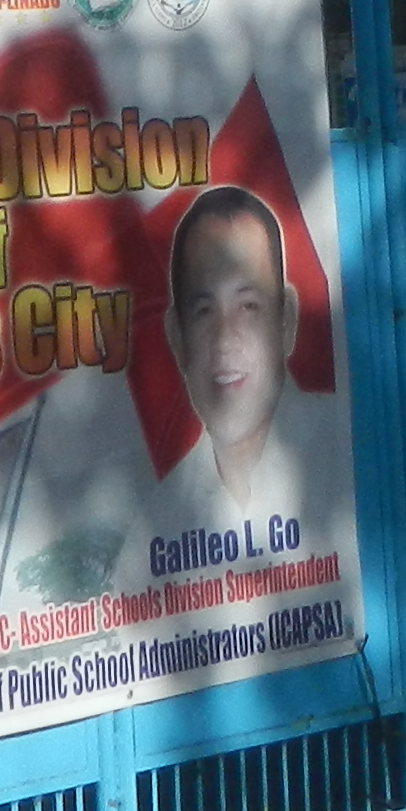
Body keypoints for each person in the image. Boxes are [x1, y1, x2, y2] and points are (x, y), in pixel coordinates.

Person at [150, 183, 344, 555]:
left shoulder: (347, 450)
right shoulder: (157, 521)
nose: (225, 339)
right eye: (204, 311)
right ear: (177, 337)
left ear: (286, 320)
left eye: (249, 306)